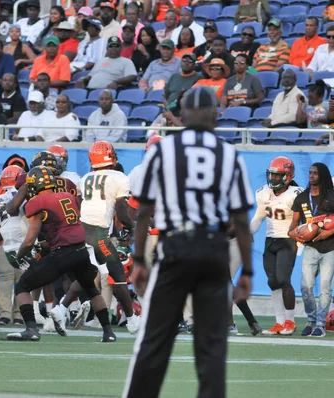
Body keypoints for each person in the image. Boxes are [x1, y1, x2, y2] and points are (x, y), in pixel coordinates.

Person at [124, 86, 255, 398]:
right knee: (211, 348)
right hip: (213, 249)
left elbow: (143, 212)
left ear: (181, 116)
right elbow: (240, 219)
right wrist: (247, 270)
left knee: (153, 341)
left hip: (175, 248)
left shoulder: (162, 151)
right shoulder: (228, 153)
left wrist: (139, 260)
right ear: (216, 114)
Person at [5, 166, 116, 342]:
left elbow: (29, 240)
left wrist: (19, 255)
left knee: (22, 286)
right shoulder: (68, 196)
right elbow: (65, 228)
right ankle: (108, 333)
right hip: (81, 250)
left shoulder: (36, 202)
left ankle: (31, 330)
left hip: (63, 254)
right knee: (91, 289)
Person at [49, 141, 140, 336]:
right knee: (118, 274)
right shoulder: (119, 177)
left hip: (81, 231)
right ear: (110, 156)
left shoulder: (87, 177)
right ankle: (132, 320)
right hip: (98, 233)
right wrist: (133, 227)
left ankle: (61, 308)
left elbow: (82, 205)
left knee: (89, 275)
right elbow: (122, 212)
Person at [248, 157, 302, 335]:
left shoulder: (296, 194)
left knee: (283, 279)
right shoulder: (263, 192)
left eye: (278, 176)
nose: (273, 179)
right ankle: (279, 322)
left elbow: (303, 221)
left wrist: (300, 242)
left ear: (287, 176)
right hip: (270, 240)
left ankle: (290, 321)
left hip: (288, 240)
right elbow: (258, 217)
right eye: (272, 175)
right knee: (273, 282)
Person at [289, 163, 334, 338]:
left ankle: (321, 324)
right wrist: (297, 235)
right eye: (310, 173)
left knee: (324, 287)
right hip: (310, 248)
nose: (311, 175)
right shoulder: (301, 198)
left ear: (322, 175)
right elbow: (292, 226)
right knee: (306, 286)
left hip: (330, 248)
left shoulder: (331, 196)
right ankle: (311, 320)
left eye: (315, 173)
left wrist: (327, 233)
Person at [0, 166, 28, 326]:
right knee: (22, 277)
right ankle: (19, 314)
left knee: (5, 277)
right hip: (23, 240)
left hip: (3, 239)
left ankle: (4, 314)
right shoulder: (26, 197)